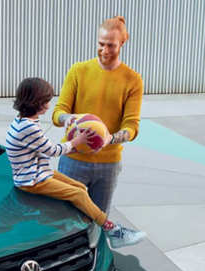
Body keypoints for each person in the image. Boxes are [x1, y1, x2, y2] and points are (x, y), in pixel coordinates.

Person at [5, 77, 145, 248]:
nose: (49, 104)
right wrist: (78, 141)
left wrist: (74, 144)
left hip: (37, 171)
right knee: (78, 195)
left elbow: (43, 148)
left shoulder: (24, 120)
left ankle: (91, 227)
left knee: (79, 188)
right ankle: (113, 230)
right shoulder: (29, 127)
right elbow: (52, 151)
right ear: (37, 102)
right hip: (31, 180)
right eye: (47, 100)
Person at [52, 15, 144, 218]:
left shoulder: (133, 80)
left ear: (122, 42)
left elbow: (132, 126)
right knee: (62, 218)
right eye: (101, 44)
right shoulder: (78, 71)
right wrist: (67, 119)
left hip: (108, 164)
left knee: (97, 220)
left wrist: (110, 138)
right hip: (72, 158)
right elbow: (58, 112)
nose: (105, 51)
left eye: (111, 45)